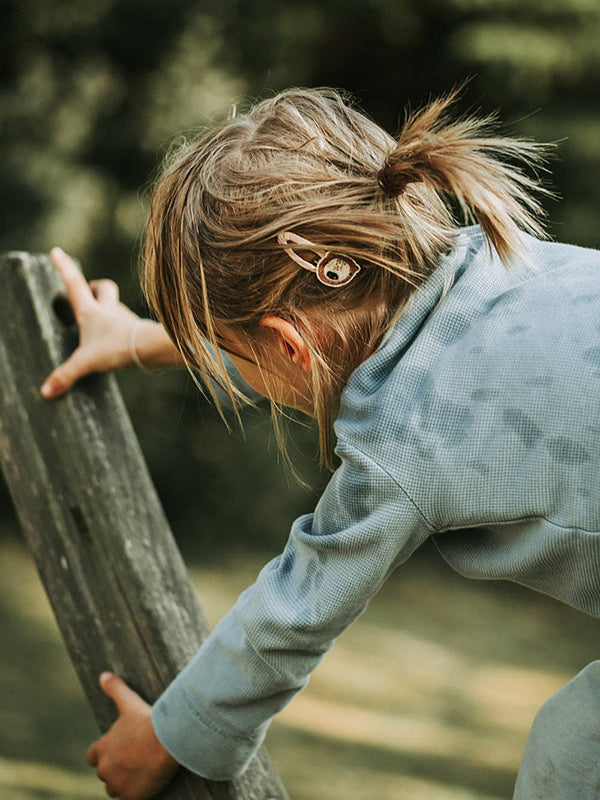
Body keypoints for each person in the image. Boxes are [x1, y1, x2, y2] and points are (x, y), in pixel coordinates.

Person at [41, 88, 600, 800]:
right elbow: (322, 347)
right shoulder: (500, 267)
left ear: (284, 345)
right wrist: (134, 340)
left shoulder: (404, 443)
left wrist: (164, 737)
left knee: (573, 760)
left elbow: (294, 614)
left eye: (227, 350)